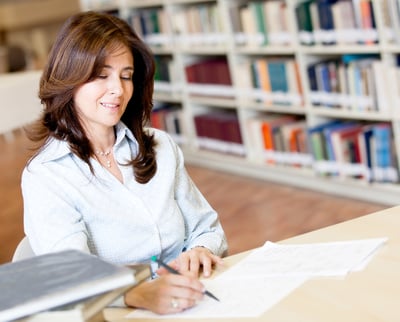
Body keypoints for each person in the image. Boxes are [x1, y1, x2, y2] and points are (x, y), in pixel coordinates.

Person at [21, 11, 228, 314]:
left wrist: (201, 249)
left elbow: (206, 227)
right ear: (69, 78)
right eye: (102, 75)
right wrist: (137, 294)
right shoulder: (46, 176)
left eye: (126, 75)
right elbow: (70, 276)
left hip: (194, 298)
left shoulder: (160, 146)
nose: (118, 89)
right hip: (117, 313)